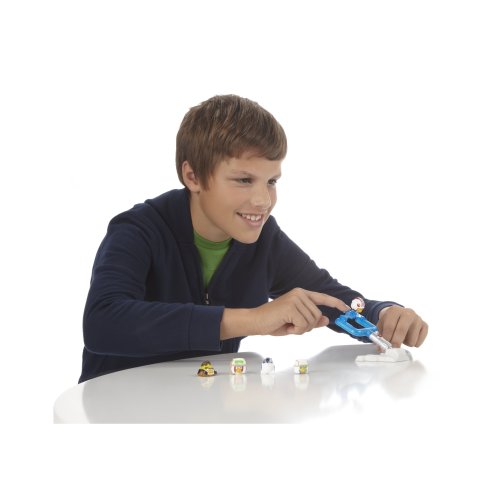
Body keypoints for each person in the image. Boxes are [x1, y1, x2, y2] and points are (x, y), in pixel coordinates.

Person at [79, 94, 428, 383]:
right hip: (116, 406)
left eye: (271, 181)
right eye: (244, 180)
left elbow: (330, 298)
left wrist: (383, 314)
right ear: (193, 176)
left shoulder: (263, 240)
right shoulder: (138, 230)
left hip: (203, 407)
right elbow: (103, 323)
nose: (263, 201)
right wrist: (254, 318)